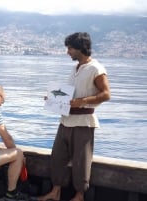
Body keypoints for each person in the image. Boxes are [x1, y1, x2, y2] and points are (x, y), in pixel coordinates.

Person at [38, 32, 111, 201]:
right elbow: (69, 94)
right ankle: (55, 192)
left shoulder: (96, 68)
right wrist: (53, 99)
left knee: (81, 161)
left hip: (84, 122)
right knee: (57, 157)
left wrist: (82, 102)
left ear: (80, 48)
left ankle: (79, 196)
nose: (68, 52)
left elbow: (106, 94)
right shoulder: (75, 68)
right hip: (66, 120)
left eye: (70, 48)